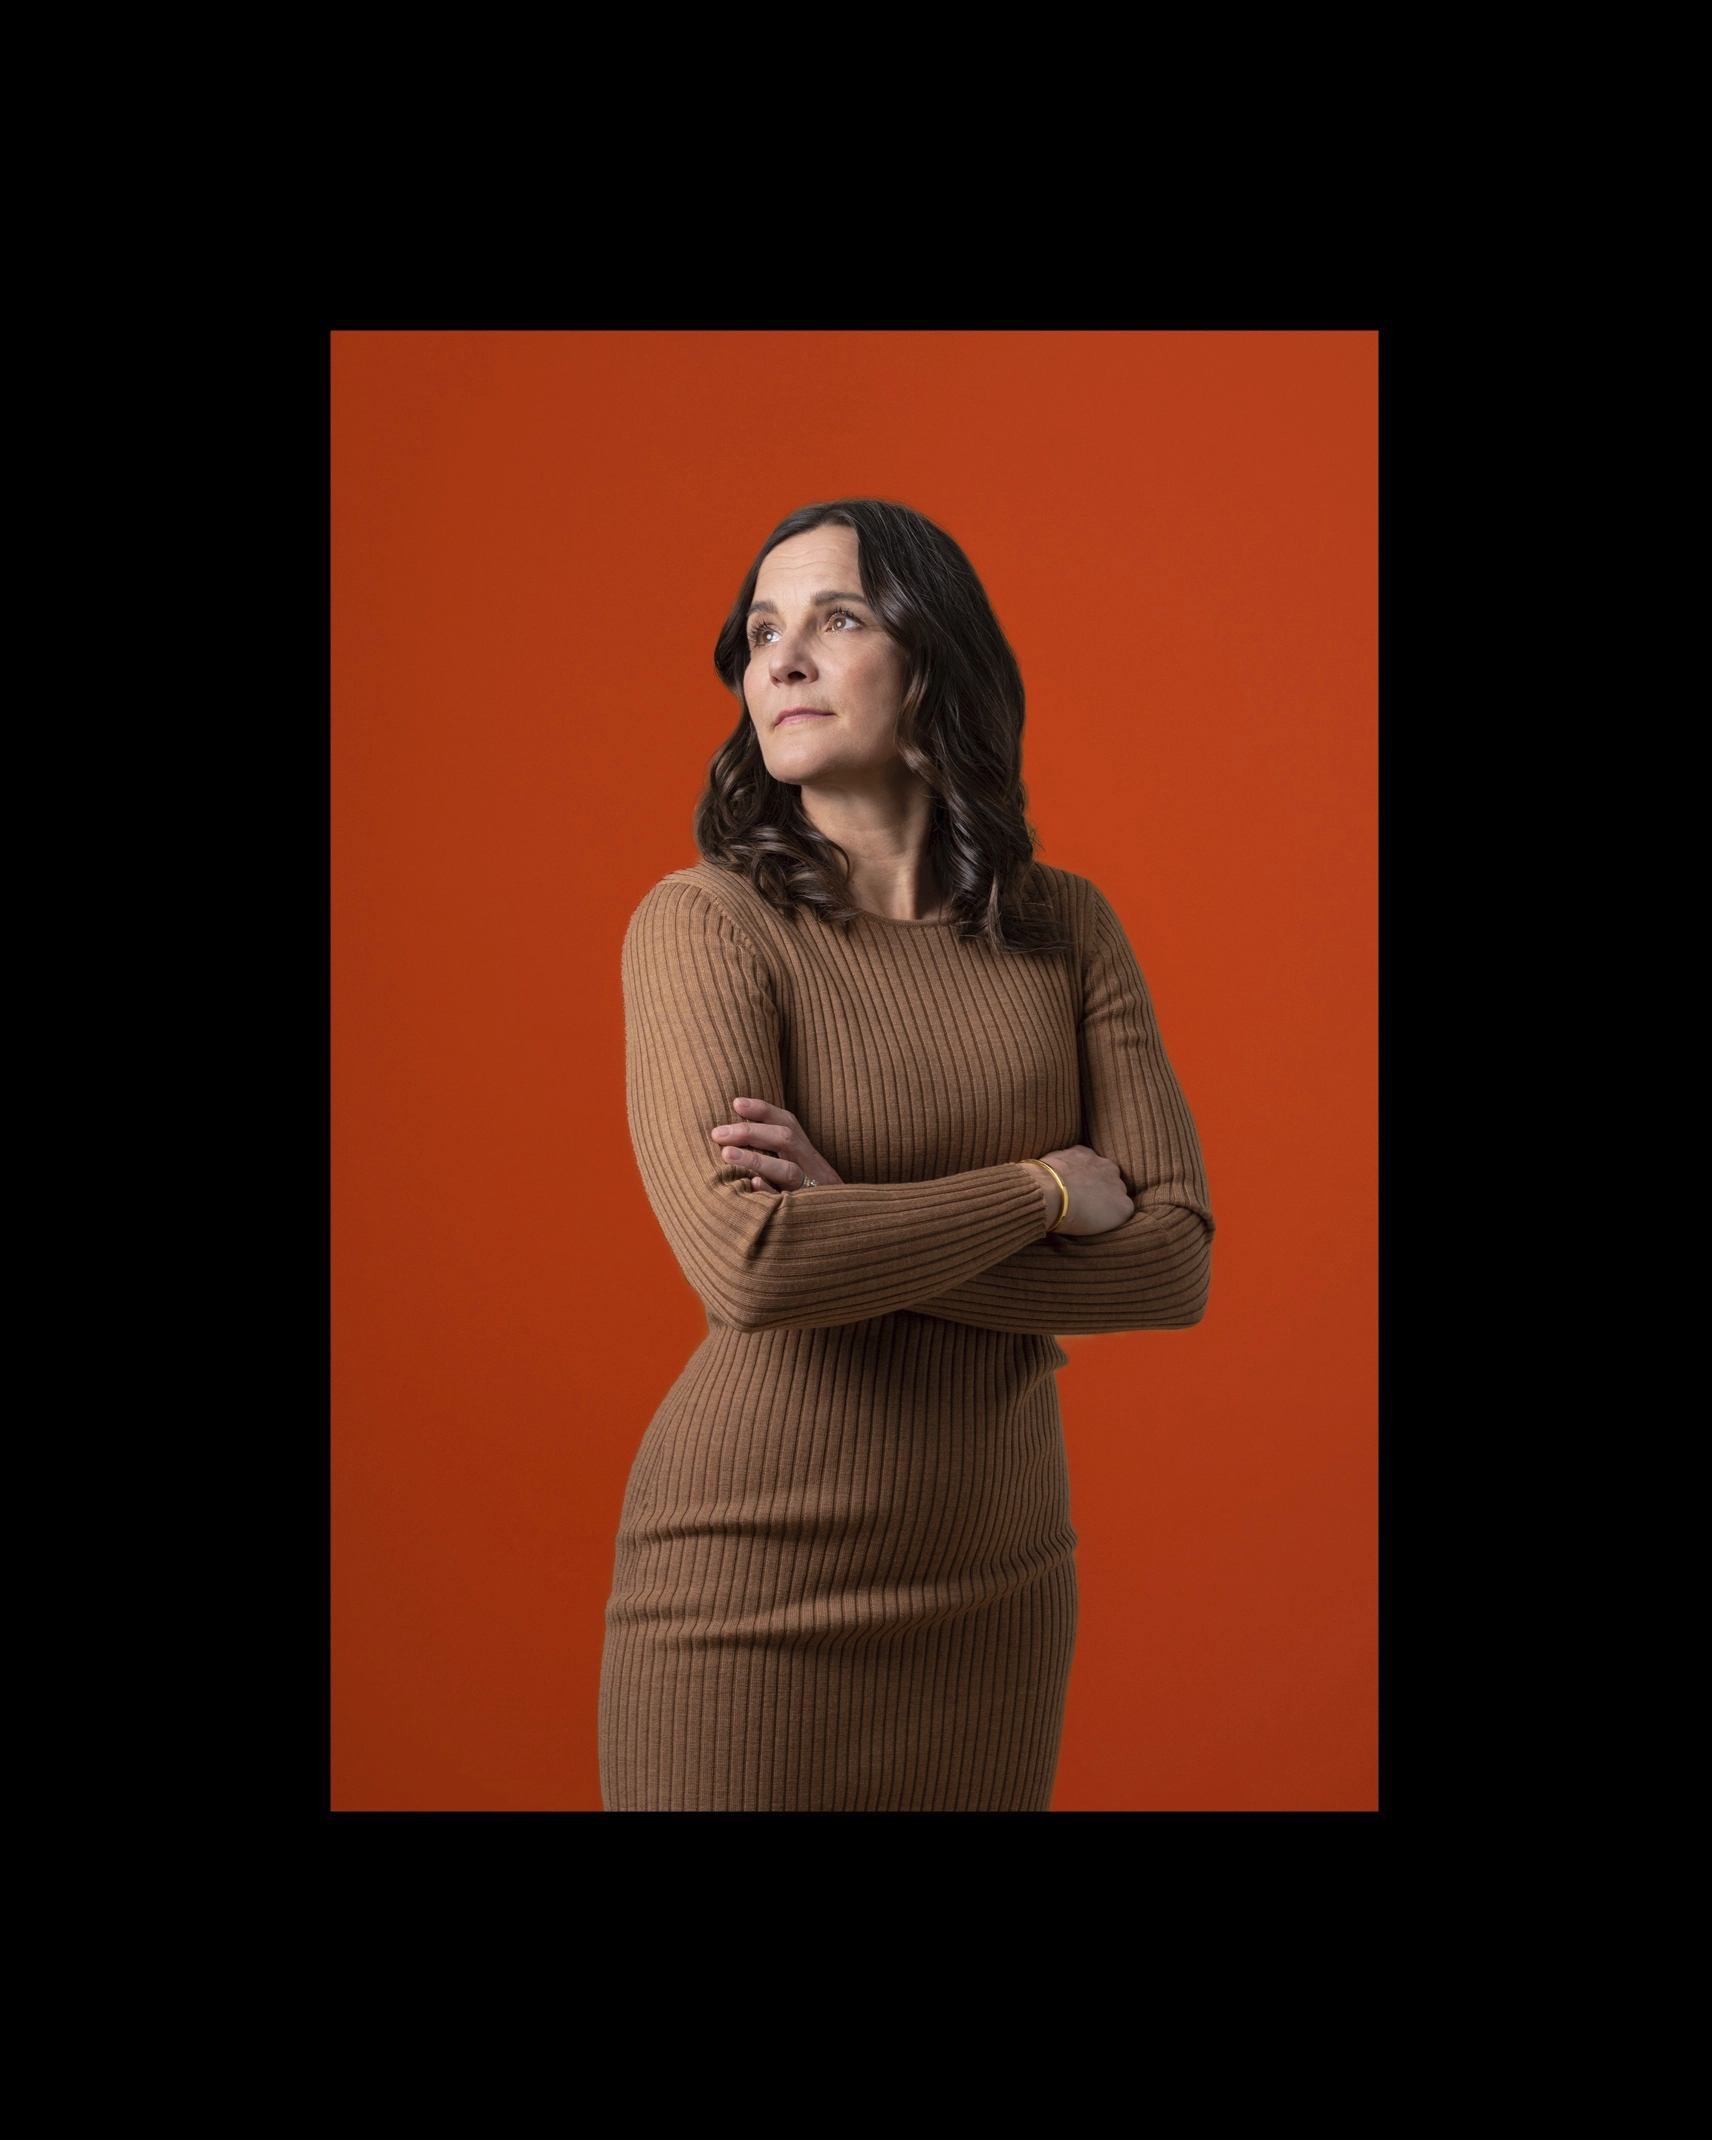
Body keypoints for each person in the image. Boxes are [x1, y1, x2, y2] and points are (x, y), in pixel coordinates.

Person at [599, 499, 1213, 1812]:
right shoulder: (706, 928)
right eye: (763, 632)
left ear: (932, 661)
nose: (783, 660)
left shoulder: (1065, 928)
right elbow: (754, 1266)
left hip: (998, 1585)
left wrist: (858, 1226)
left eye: (836, 617)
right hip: (748, 1588)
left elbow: (1171, 1266)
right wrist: (1040, 1192)